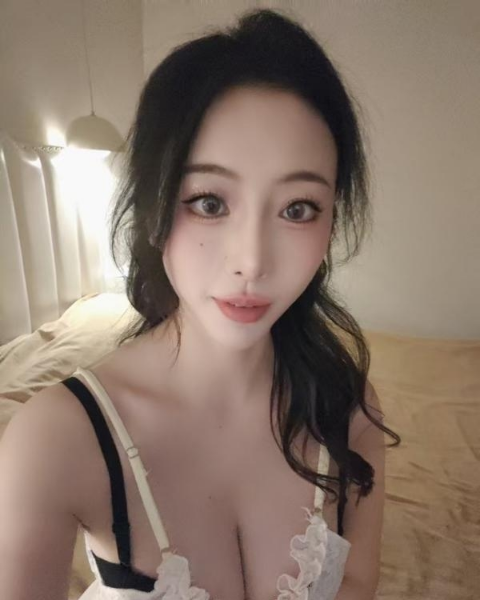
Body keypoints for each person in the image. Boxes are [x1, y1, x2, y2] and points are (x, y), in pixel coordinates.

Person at [0, 7, 400, 600]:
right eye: (210, 202)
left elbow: (359, 583)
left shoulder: (348, 410)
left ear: (331, 221)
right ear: (153, 208)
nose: (252, 262)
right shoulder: (55, 438)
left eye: (297, 209)